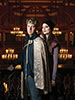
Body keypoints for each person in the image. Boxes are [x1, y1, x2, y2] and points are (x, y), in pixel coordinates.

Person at [8, 18, 51, 100]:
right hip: (26, 74)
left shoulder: (39, 41)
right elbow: (23, 56)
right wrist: (13, 64)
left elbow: (42, 61)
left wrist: (34, 74)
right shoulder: (27, 41)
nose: (30, 29)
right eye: (28, 26)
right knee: (30, 96)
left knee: (36, 97)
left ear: (36, 28)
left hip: (35, 75)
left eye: (32, 27)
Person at [41, 19, 59, 100]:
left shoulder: (54, 43)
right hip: (42, 73)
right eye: (42, 27)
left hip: (50, 71)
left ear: (50, 28)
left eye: (46, 27)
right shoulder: (41, 41)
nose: (43, 29)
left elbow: (55, 62)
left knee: (51, 96)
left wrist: (53, 78)